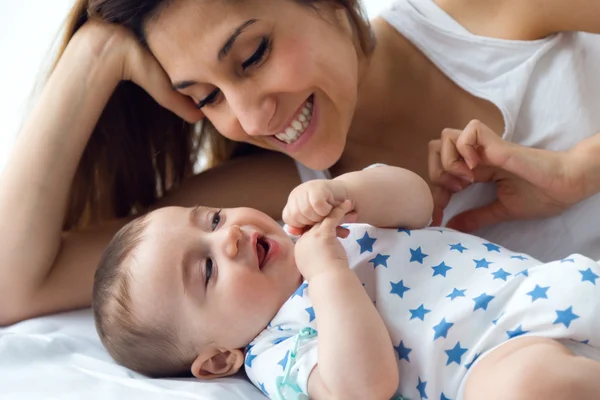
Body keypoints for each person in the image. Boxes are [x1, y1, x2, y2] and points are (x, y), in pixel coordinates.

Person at [1, 0, 600, 326]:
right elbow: (13, 287)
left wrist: (581, 171)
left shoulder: (484, 17)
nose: (252, 119)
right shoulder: (272, 201)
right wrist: (94, 51)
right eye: (206, 97)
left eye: (253, 54)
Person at [93, 164, 600, 400]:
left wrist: (345, 190)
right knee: (530, 390)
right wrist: (328, 272)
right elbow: (363, 387)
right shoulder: (278, 351)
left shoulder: (312, 224)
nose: (228, 238)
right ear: (220, 358)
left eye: (214, 219)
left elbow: (418, 202)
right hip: (487, 365)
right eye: (206, 270)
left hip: (551, 288)